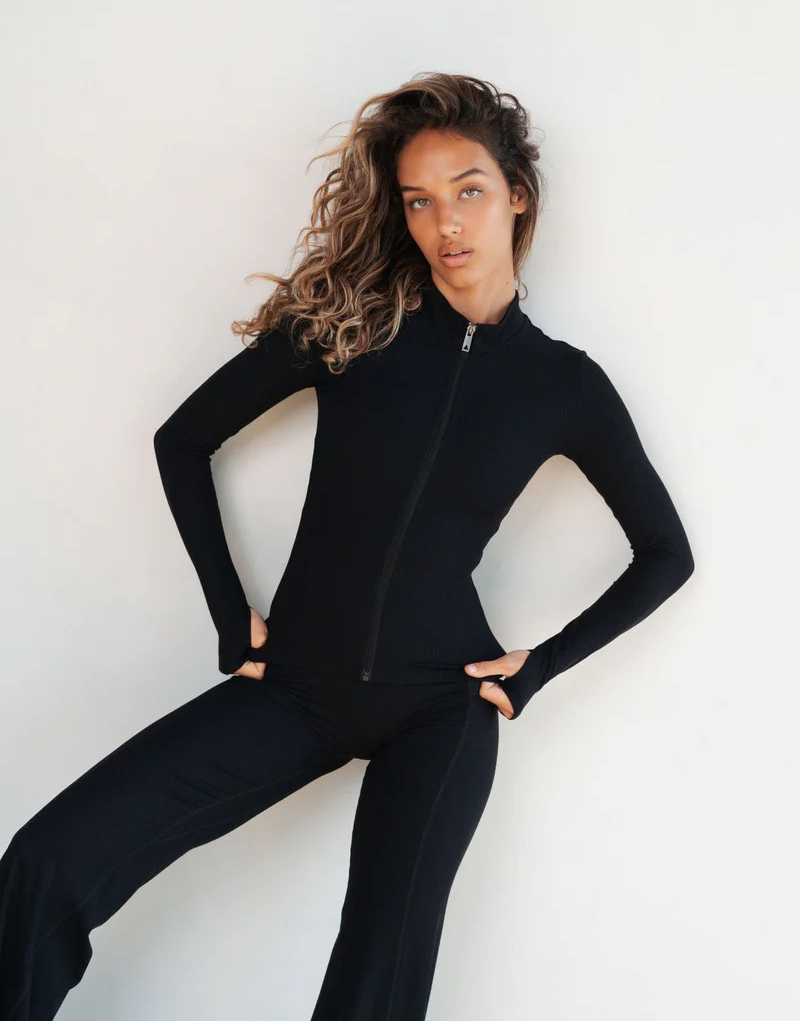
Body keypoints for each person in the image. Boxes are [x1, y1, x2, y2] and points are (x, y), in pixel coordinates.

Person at [0, 72, 695, 1021]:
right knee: (47, 862)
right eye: (419, 200)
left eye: (468, 190)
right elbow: (182, 440)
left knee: (373, 989)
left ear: (518, 197)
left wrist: (538, 667)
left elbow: (665, 553)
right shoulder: (356, 326)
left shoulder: (563, 385)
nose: (445, 222)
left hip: (441, 710)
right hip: (294, 688)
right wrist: (230, 616)